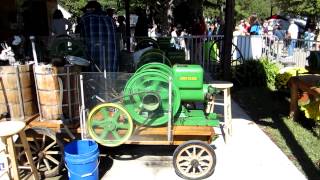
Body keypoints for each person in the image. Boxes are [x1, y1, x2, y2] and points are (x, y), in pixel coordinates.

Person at [79, 1, 117, 72]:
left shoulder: (85, 19)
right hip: (111, 62)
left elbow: (81, 40)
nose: (85, 12)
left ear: (91, 9)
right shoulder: (111, 20)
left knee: (93, 81)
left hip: (93, 62)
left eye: (86, 10)